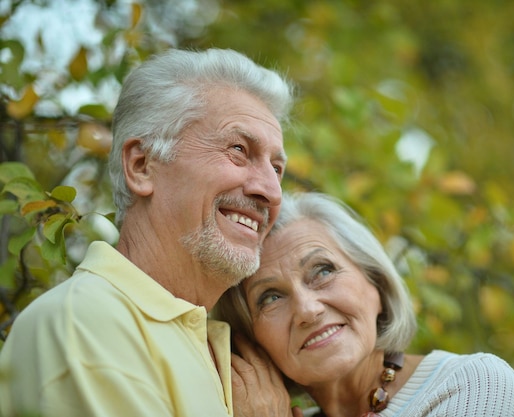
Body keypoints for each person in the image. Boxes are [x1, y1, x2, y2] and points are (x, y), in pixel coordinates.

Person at [0, 48, 299, 417]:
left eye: (277, 168)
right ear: (142, 166)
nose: (271, 191)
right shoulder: (85, 325)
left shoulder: (231, 348)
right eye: (238, 150)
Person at [214, 192, 514, 417]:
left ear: (376, 284)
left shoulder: (473, 385)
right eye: (270, 297)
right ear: (253, 344)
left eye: (323, 271)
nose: (307, 310)